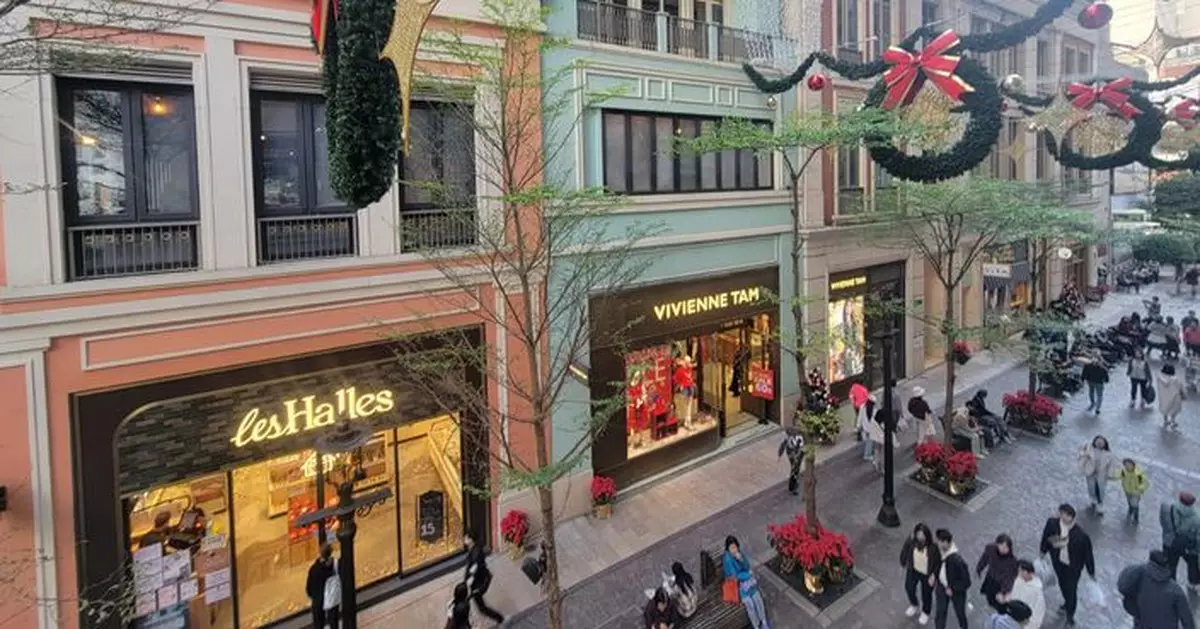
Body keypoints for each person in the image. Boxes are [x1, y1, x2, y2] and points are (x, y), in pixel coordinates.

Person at [1039, 504, 1096, 627]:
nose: (1062, 517)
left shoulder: (1081, 536)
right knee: (1062, 585)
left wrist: (1091, 572)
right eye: (1061, 513)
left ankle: (1070, 615)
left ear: (1071, 517)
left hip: (1073, 568)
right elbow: (1046, 537)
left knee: (1071, 590)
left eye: (1065, 515)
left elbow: (1088, 555)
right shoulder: (1052, 524)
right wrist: (1043, 551)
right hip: (1058, 563)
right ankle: (1067, 602)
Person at [1117, 550, 1196, 629]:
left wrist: (1135, 611)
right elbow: (1187, 618)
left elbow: (1124, 586)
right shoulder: (1175, 589)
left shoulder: (1139, 575)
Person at [723, 536, 770, 629]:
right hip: (737, 586)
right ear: (728, 549)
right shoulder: (728, 559)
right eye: (731, 548)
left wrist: (741, 560)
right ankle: (756, 626)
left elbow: (747, 566)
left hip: (747, 582)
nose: (734, 550)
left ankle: (763, 621)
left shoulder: (739, 553)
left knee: (757, 598)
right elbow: (735, 575)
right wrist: (748, 575)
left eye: (735, 547)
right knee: (750, 604)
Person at [901, 522, 942, 625]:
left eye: (922, 535)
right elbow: (905, 551)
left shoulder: (933, 547)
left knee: (926, 594)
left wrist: (934, 575)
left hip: (927, 574)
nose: (920, 537)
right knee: (909, 587)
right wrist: (903, 563)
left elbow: (938, 562)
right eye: (918, 534)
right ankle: (914, 604)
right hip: (913, 570)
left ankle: (925, 612)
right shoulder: (911, 542)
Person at [1159, 492, 1200, 590]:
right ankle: (1193, 584)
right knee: (1192, 564)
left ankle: (1171, 586)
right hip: (1189, 546)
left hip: (1170, 542)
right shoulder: (1198, 518)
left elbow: (1163, 523)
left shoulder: (1167, 508)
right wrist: (1197, 549)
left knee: (1171, 565)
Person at [463, 530, 505, 624]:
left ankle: (500, 618)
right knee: (476, 605)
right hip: (474, 582)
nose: (464, 540)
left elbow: (476, 566)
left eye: (466, 538)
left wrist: (470, 580)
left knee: (479, 606)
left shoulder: (477, 551)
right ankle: (499, 618)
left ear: (471, 539)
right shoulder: (473, 549)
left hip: (477, 583)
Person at [934, 529, 971, 629]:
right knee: (940, 612)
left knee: (960, 613)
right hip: (942, 586)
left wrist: (952, 588)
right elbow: (937, 564)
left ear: (945, 542)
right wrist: (934, 574)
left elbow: (967, 582)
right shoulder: (940, 552)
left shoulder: (957, 561)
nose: (937, 544)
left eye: (939, 542)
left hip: (956, 591)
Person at [977, 534, 1019, 612]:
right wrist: (979, 569)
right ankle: (993, 606)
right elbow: (984, 559)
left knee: (1001, 605)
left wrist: (1003, 592)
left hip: (1001, 584)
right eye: (1002, 546)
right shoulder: (990, 549)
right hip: (991, 578)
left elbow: (1010, 578)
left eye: (1006, 547)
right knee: (990, 597)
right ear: (997, 544)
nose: (1004, 549)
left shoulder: (1012, 562)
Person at [1079, 435, 1118, 514]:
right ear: (1094, 442)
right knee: (1091, 488)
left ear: (1105, 443)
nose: (1099, 443)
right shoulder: (1090, 450)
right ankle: (1093, 500)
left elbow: (1111, 465)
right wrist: (1083, 467)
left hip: (1101, 475)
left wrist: (1110, 474)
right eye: (1098, 441)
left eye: (1101, 442)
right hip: (1091, 473)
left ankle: (1100, 504)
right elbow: (1082, 456)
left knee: (1100, 490)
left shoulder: (1108, 454)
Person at [1004, 560, 1045, 629]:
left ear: (1031, 573)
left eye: (1022, 571)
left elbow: (1038, 613)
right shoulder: (1018, 580)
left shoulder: (1037, 592)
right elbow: (1013, 594)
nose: (1020, 573)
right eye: (1019, 570)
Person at [306, 543, 336, 629]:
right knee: (333, 622)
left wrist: (313, 595)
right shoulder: (334, 566)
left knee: (318, 624)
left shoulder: (314, 569)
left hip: (318, 601)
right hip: (331, 599)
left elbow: (309, 588)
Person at [1120, 458, 1150, 524]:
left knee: (1135, 504)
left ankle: (1136, 517)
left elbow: (1145, 483)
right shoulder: (1124, 471)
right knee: (1129, 502)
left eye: (1129, 465)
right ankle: (1130, 509)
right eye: (1126, 465)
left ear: (1133, 465)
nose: (1128, 466)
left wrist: (1140, 488)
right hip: (1127, 491)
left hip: (1136, 492)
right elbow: (1120, 477)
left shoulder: (1138, 473)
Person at [777, 428, 805, 495]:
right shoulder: (789, 439)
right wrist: (780, 454)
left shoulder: (801, 436)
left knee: (796, 468)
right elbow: (783, 446)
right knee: (795, 469)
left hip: (799, 454)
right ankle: (793, 486)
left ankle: (793, 485)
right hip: (792, 455)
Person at [1157, 364, 1184, 431]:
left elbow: (1164, 384)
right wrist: (1183, 394)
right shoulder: (1175, 378)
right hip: (1175, 396)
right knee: (1174, 409)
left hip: (1165, 397)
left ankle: (1166, 420)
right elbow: (1180, 387)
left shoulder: (1161, 378)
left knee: (1165, 408)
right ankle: (1173, 420)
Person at [857, 394, 877, 463]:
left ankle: (869, 452)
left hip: (864, 428)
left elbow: (860, 417)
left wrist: (858, 426)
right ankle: (867, 455)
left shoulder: (862, 407)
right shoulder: (874, 410)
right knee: (870, 442)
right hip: (871, 429)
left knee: (867, 441)